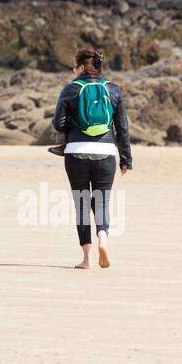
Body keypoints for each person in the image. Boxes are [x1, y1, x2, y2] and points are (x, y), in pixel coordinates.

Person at [50, 47, 132, 269]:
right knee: (102, 200)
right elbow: (122, 128)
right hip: (106, 154)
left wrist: (73, 127)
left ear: (79, 67)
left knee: (82, 202)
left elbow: (58, 123)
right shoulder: (113, 90)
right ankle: (103, 239)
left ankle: (86, 259)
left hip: (76, 151)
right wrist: (126, 158)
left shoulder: (70, 90)